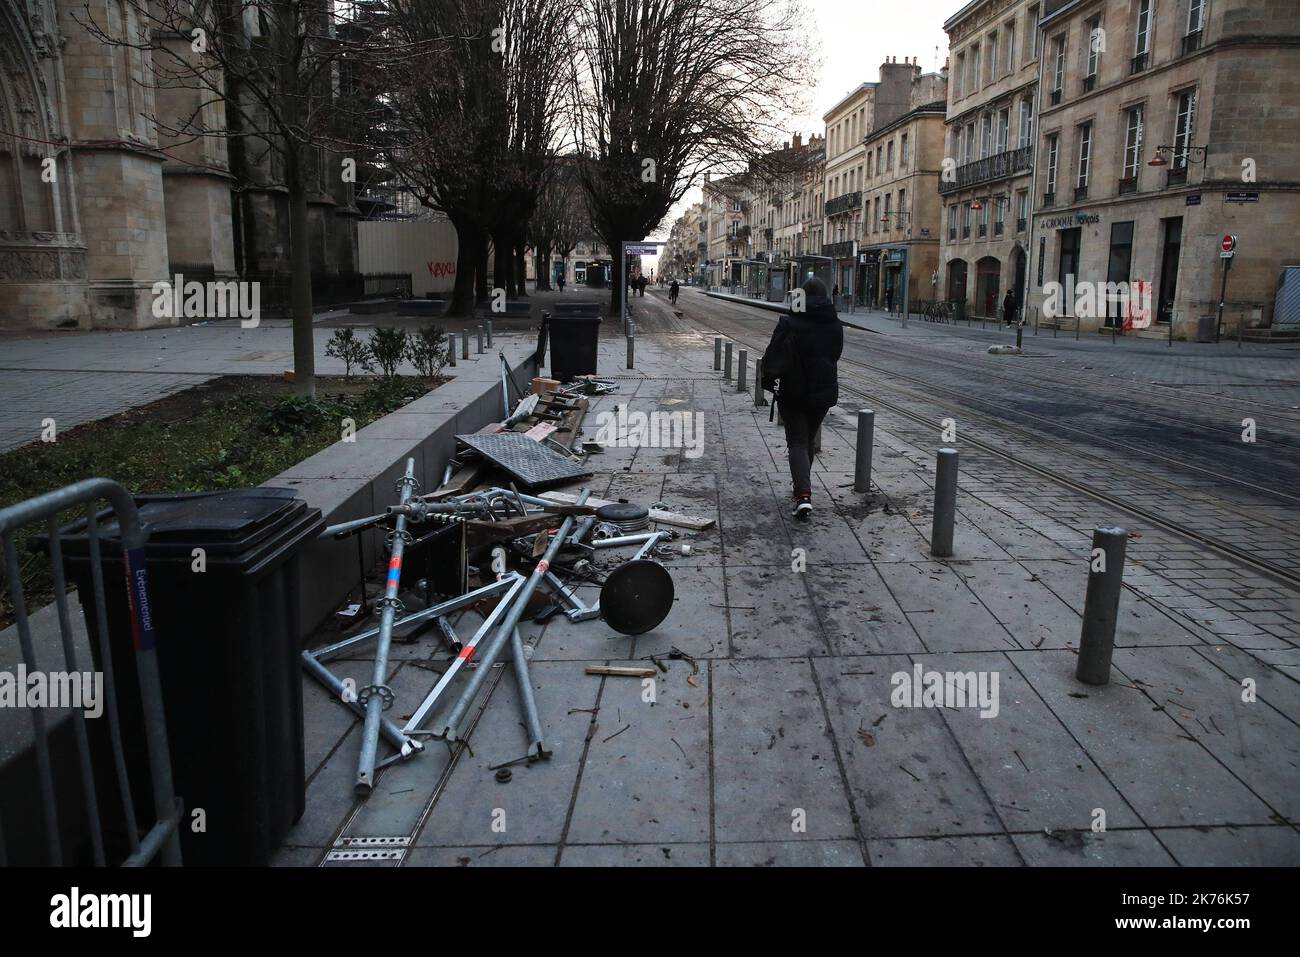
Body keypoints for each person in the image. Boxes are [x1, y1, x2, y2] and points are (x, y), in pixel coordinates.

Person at [761, 277, 844, 519]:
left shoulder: (789, 323)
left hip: (793, 391)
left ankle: (803, 495)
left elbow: (772, 356)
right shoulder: (835, 324)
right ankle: (801, 487)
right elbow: (835, 355)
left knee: (797, 441)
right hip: (823, 392)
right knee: (807, 440)